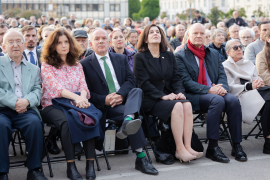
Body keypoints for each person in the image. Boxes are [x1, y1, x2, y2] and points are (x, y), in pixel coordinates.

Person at [81, 28, 158, 175]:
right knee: (133, 116)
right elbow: (87, 92)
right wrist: (105, 99)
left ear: (109, 42)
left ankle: (128, 120)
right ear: (91, 43)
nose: (101, 41)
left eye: (104, 38)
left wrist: (121, 95)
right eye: (97, 39)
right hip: (105, 106)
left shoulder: (119, 58)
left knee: (137, 91)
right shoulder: (84, 64)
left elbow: (131, 80)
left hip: (124, 101)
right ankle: (141, 158)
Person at [176, 23, 247, 163]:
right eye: (195, 33)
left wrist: (222, 89)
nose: (199, 36)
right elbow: (185, 82)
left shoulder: (213, 53)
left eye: (202, 33)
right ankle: (213, 147)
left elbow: (222, 75)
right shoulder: (180, 56)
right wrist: (209, 89)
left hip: (214, 91)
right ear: (188, 35)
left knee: (232, 100)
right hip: (194, 95)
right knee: (218, 101)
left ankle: (237, 145)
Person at [134, 24, 203, 162]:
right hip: (151, 98)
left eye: (158, 32)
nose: (155, 34)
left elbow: (176, 78)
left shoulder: (169, 55)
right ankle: (179, 149)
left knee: (187, 104)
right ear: (145, 39)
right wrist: (162, 96)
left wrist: (180, 92)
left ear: (162, 37)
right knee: (177, 106)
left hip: (171, 96)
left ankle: (188, 146)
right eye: (151, 32)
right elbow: (144, 83)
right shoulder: (140, 57)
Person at [40, 28, 98, 180]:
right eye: (59, 43)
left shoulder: (77, 65)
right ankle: (70, 166)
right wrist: (77, 98)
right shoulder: (47, 65)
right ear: (53, 46)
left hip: (76, 102)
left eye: (66, 42)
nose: (63, 45)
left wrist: (83, 98)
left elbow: (83, 86)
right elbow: (56, 89)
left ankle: (90, 164)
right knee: (67, 121)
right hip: (52, 105)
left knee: (89, 117)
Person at [0, 30, 47, 180]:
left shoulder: (33, 69)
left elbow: (37, 90)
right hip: (2, 110)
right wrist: (14, 102)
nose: (15, 45)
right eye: (11, 42)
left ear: (24, 45)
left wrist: (26, 101)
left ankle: (34, 169)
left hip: (26, 109)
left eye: (19, 41)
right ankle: (2, 172)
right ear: (3, 46)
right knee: (1, 125)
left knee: (34, 123)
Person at [223, 39, 270, 155]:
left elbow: (256, 77)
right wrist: (249, 86)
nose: (239, 49)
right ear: (228, 52)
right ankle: (268, 141)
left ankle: (268, 141)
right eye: (235, 48)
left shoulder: (248, 63)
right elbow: (230, 86)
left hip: (257, 92)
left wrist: (258, 82)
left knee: (269, 99)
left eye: (241, 46)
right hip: (240, 95)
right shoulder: (225, 66)